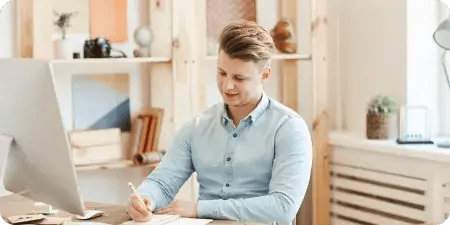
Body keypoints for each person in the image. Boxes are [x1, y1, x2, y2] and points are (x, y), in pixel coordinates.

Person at [126, 20, 312, 224]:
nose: (227, 85)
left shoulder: (289, 128)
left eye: (239, 78)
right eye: (222, 73)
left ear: (264, 75)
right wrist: (144, 198)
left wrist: (201, 209)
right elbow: (162, 183)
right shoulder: (197, 127)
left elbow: (282, 206)